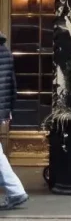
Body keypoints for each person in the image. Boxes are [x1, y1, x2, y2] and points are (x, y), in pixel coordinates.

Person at [0, 31, 27, 210]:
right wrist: (8, 109)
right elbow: (12, 84)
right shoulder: (6, 52)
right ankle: (16, 191)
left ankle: (16, 191)